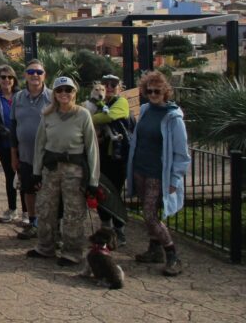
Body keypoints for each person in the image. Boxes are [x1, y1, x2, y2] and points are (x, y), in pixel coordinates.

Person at [26, 76, 99, 266]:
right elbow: (40, 145)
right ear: (54, 94)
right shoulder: (47, 115)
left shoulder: (83, 115)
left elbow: (92, 148)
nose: (64, 93)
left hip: (74, 170)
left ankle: (72, 252)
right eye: (59, 90)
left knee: (73, 212)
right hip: (51, 168)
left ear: (74, 93)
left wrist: (93, 180)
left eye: (68, 90)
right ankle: (45, 247)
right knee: (45, 209)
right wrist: (36, 171)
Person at [126, 71, 190, 276]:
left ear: (165, 92)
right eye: (149, 91)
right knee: (148, 210)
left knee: (150, 215)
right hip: (140, 169)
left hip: (157, 173)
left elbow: (181, 152)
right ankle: (154, 249)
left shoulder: (173, 117)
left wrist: (175, 179)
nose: (153, 94)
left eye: (157, 91)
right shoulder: (145, 110)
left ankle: (172, 254)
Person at [11, 59, 52, 239]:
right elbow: (13, 126)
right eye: (31, 72)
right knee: (28, 189)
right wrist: (14, 154)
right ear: (25, 75)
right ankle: (33, 222)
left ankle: (49, 225)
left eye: (39, 72)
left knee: (49, 190)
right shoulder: (18, 98)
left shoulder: (53, 97)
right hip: (26, 154)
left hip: (48, 155)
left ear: (44, 75)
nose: (35, 75)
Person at [91, 74, 131, 245]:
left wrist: (86, 117)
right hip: (102, 156)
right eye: (105, 84)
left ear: (119, 88)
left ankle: (119, 230)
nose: (108, 87)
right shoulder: (100, 104)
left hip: (117, 157)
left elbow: (108, 117)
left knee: (114, 192)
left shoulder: (121, 102)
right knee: (101, 191)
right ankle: (106, 229)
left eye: (113, 85)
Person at [0, 65, 22, 224]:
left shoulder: (21, 96)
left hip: (22, 143)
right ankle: (12, 209)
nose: (6, 80)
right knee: (10, 176)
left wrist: (18, 135)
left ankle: (28, 212)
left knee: (24, 176)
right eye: (3, 77)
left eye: (9, 77)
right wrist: (9, 134)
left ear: (14, 79)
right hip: (4, 143)